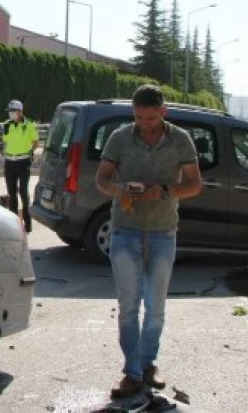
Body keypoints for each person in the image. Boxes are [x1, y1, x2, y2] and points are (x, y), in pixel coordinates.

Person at [94, 84, 203, 399]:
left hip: (162, 231)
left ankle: (147, 364)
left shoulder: (180, 139)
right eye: (139, 117)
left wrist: (165, 190)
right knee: (128, 306)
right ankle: (132, 371)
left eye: (151, 118)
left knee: (155, 307)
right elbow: (101, 179)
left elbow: (195, 185)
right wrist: (121, 190)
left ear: (163, 112)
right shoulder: (120, 137)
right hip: (125, 230)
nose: (145, 124)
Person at [1, 99, 40, 232]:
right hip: (9, 162)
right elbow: (5, 142)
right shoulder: (6, 125)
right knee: (11, 194)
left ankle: (27, 224)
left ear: (20, 111)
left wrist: (30, 152)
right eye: (9, 111)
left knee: (23, 191)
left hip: (23, 162)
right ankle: (14, 225)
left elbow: (35, 142)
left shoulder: (29, 125)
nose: (10, 114)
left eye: (13, 111)